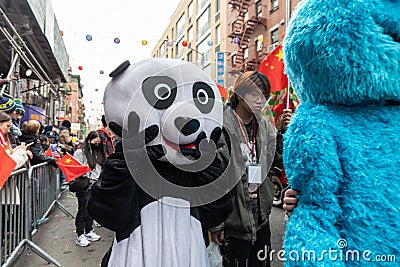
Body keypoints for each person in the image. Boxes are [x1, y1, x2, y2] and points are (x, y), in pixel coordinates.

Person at [209, 71, 292, 267]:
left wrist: (281, 133)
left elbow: (276, 162)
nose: (260, 100)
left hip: (261, 220)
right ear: (239, 93)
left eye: (263, 95)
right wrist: (216, 224)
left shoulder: (264, 125)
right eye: (254, 94)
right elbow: (213, 175)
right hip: (232, 222)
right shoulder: (220, 124)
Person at [73, 131, 105, 247]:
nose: (96, 144)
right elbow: (75, 168)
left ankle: (89, 230)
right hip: (84, 185)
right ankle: (80, 234)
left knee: (91, 209)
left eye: (98, 142)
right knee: (83, 209)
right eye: (94, 141)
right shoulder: (80, 153)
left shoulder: (99, 153)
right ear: (88, 141)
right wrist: (85, 171)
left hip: (95, 184)